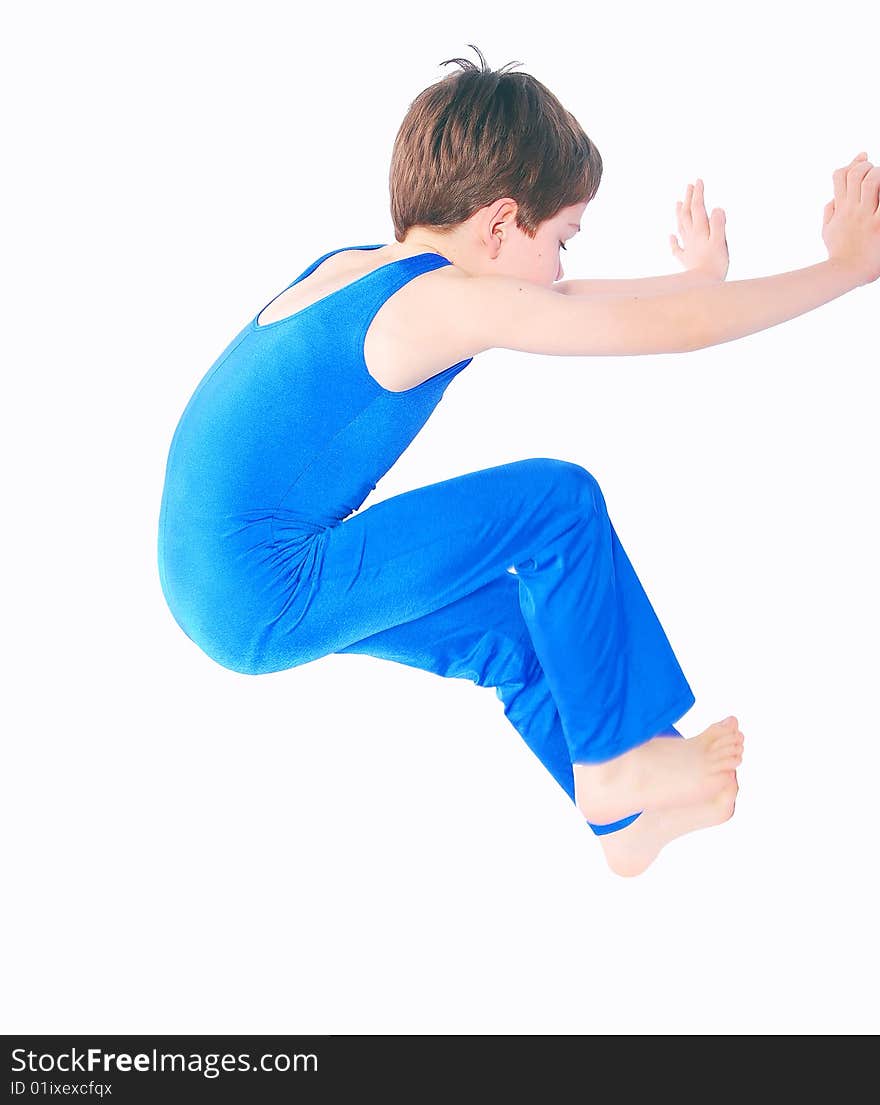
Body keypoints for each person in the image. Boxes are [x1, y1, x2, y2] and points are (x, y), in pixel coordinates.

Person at [157, 44, 879, 876]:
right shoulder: (433, 306)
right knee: (557, 504)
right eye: (565, 237)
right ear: (501, 223)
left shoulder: (365, 270)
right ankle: (615, 765)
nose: (562, 262)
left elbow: (556, 300)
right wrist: (847, 269)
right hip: (265, 582)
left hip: (211, 582)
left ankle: (624, 822)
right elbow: (657, 334)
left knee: (513, 630)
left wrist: (698, 283)